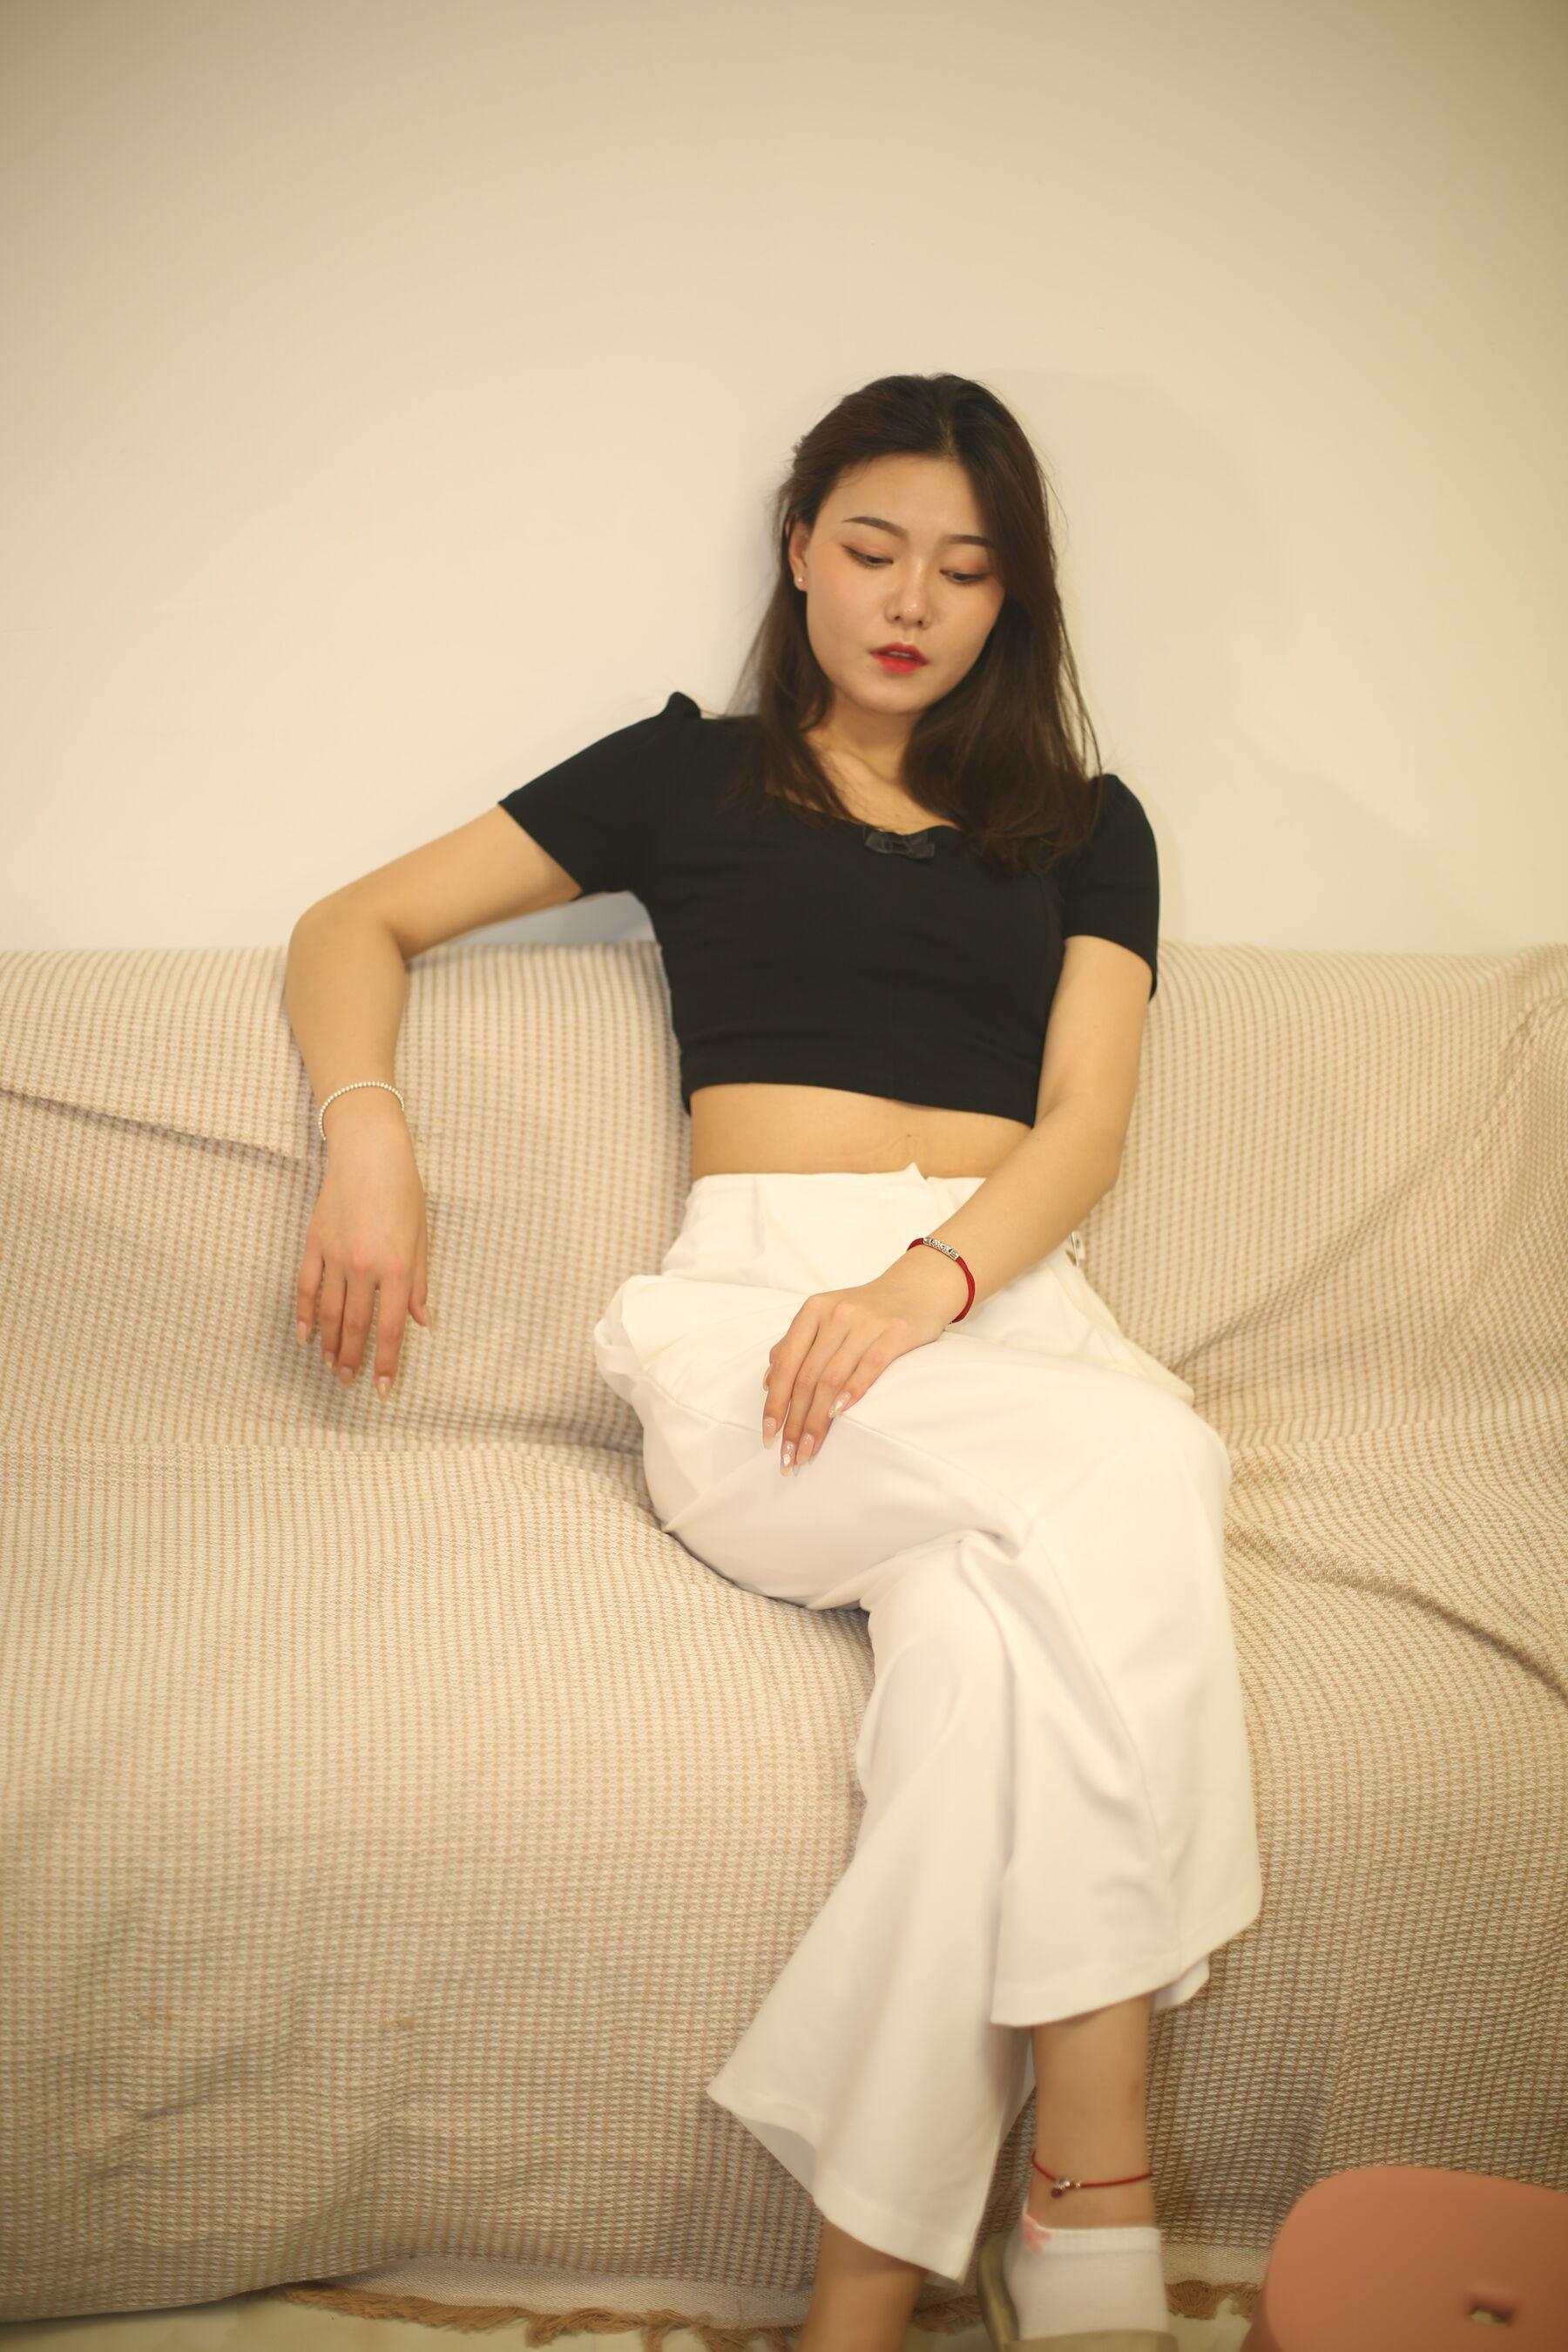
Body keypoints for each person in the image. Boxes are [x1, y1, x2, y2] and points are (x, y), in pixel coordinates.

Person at [284, 371, 1262, 2352]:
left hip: (996, 1310)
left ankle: (856, 2308)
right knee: (1151, 1474)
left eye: (964, 570)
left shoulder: (1090, 827)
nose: (911, 600)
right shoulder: (687, 776)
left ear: (1013, 599)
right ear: (800, 547)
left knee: (988, 1678)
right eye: (873, 547)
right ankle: (1098, 2199)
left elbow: (1086, 1120)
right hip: (763, 1332)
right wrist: (368, 1132)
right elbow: (354, 922)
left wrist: (930, 1282)